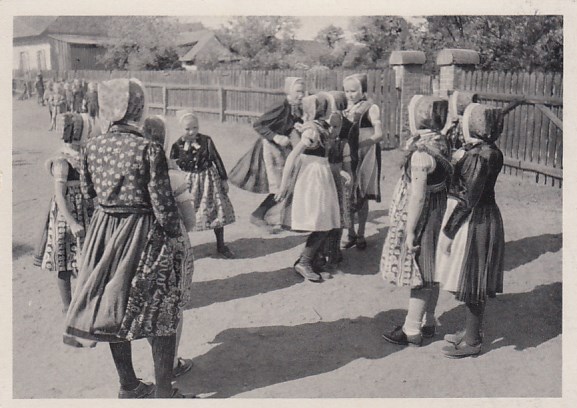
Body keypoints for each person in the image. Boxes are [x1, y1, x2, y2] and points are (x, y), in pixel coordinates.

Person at [64, 78, 193, 398]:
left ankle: (129, 385)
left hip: (105, 233)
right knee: (162, 312)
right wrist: (174, 242)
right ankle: (164, 392)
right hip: (144, 235)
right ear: (136, 106)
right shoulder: (148, 148)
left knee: (113, 309)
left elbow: (89, 192)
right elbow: (164, 206)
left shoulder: (92, 146)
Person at [380, 95, 452, 347]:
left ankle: (411, 328)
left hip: (425, 216)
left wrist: (410, 230)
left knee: (420, 271)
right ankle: (428, 320)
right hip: (441, 210)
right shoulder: (441, 142)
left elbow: (418, 196)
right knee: (433, 270)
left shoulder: (422, 154)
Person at [436, 103, 505, 358]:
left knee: (473, 279)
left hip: (474, 220)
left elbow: (468, 197)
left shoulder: (478, 156)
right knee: (470, 278)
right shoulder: (487, 150)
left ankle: (473, 340)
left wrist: (448, 231)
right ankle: (470, 331)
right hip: (484, 215)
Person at [142, 115, 195, 379]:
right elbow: (191, 221)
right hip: (172, 247)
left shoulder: (133, 175)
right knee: (173, 307)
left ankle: (157, 357)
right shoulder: (173, 178)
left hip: (139, 247)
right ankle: (170, 362)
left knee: (148, 304)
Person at [34, 112, 95, 314]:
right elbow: (59, 195)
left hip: (85, 210)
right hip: (67, 214)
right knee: (65, 260)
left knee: (86, 256)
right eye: (87, 131)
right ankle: (67, 306)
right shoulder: (62, 160)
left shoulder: (82, 154)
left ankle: (85, 299)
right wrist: (71, 222)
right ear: (78, 133)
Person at [229, 77, 304, 234]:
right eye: (298, 91)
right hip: (270, 149)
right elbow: (258, 124)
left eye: (303, 91)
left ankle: (285, 219)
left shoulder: (295, 108)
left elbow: (288, 123)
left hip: (283, 149)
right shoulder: (280, 106)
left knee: (290, 182)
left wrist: (296, 124)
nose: (301, 95)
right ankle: (258, 215)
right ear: (289, 91)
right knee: (279, 185)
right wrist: (275, 137)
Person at [276, 116, 341, 282]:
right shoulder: (312, 130)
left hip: (322, 176)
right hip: (311, 178)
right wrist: (284, 185)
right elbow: (292, 157)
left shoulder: (325, 127)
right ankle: (304, 261)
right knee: (321, 220)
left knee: (326, 221)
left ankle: (313, 260)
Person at [170, 110, 236, 258]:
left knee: (215, 210)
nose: (192, 132)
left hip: (208, 180)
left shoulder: (206, 141)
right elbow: (172, 166)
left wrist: (224, 179)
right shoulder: (176, 146)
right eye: (187, 129)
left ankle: (221, 245)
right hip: (188, 182)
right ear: (181, 129)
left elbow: (216, 159)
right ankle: (181, 247)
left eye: (195, 128)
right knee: (184, 212)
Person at [341, 73, 383, 250]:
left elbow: (379, 134)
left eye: (353, 91)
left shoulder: (370, 108)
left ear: (363, 90)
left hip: (366, 153)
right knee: (347, 192)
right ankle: (350, 232)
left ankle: (361, 233)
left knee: (362, 193)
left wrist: (360, 144)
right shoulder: (345, 108)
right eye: (347, 91)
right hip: (349, 153)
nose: (350, 94)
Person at [324, 91, 353, 269]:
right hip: (325, 185)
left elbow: (348, 169)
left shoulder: (343, 144)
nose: (332, 130)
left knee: (339, 219)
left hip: (339, 187)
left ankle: (334, 250)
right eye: (329, 126)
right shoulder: (321, 144)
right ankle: (322, 251)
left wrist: (349, 177)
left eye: (336, 127)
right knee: (325, 218)